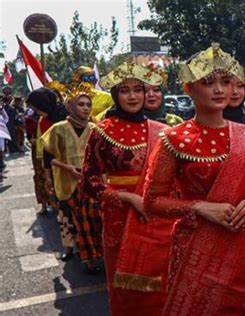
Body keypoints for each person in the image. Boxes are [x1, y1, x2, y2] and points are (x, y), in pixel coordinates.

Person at [141, 43, 245, 315]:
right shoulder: (173, 140)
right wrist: (198, 207)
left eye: (226, 82)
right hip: (195, 247)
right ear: (188, 88)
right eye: (209, 82)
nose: (220, 90)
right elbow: (152, 202)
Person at [78, 62, 172, 315]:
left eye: (138, 90)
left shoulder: (163, 131)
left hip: (158, 216)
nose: (132, 96)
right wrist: (128, 197)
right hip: (119, 216)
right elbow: (89, 181)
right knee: (124, 285)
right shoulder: (102, 131)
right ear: (115, 95)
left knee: (161, 282)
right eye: (125, 90)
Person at [40, 83, 95, 265]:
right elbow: (49, 157)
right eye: (81, 104)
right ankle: (69, 248)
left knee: (87, 218)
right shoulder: (58, 128)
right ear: (70, 105)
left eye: (88, 104)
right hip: (65, 179)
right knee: (66, 215)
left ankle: (88, 255)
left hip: (89, 182)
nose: (85, 108)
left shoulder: (96, 129)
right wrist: (65, 169)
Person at [25, 87, 68, 215]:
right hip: (51, 161)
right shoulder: (43, 120)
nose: (37, 112)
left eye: (38, 108)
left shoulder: (67, 116)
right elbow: (44, 146)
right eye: (35, 110)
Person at [0, 99, 11, 182]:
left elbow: (6, 119)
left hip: (1, 136)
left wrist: (2, 110)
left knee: (1, 153)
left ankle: (0, 173)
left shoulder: (1, 114)